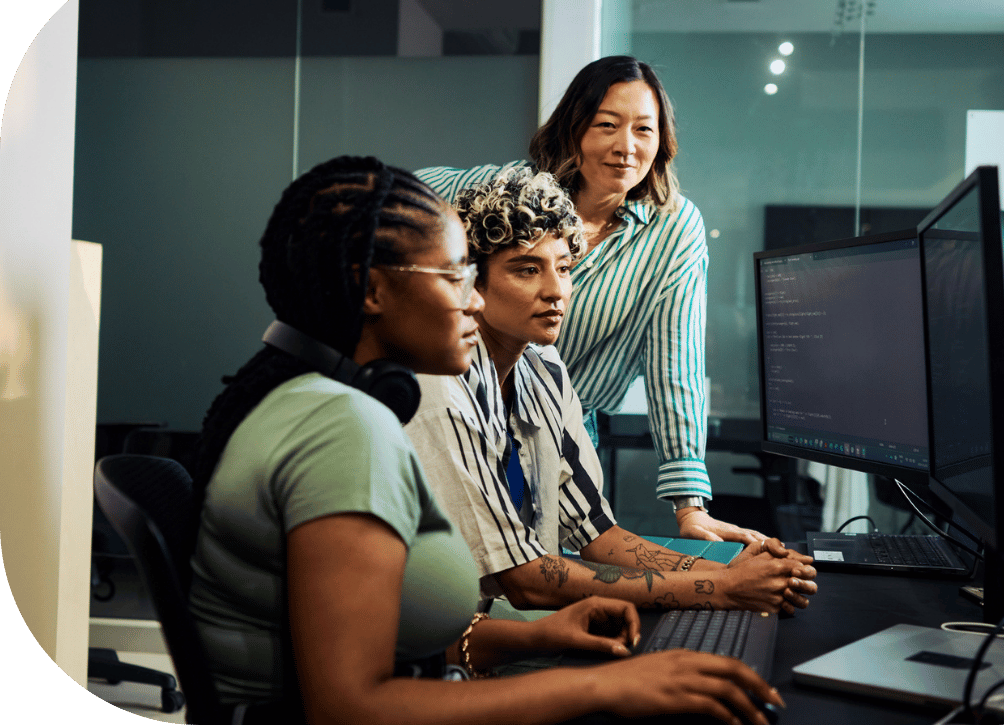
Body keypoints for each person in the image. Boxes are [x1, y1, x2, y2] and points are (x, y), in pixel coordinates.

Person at [187, 155, 785, 725]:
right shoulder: (343, 429)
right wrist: (600, 686)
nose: (472, 299)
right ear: (372, 291)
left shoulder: (322, 401)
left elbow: (377, 636)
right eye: (454, 276)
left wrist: (535, 637)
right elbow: (348, 710)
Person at [406, 166, 816, 614]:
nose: (555, 291)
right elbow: (526, 581)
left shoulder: (543, 369)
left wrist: (730, 573)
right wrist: (721, 590)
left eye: (563, 268)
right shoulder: (439, 384)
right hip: (446, 651)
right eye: (527, 270)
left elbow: (598, 534)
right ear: (473, 282)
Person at [416, 55, 757, 545]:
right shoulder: (514, 192)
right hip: (469, 414)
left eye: (644, 129)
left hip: (563, 431)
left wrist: (690, 508)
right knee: (480, 574)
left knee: (558, 568)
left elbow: (675, 368)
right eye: (606, 125)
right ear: (574, 128)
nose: (626, 147)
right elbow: (400, 198)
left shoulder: (673, 229)